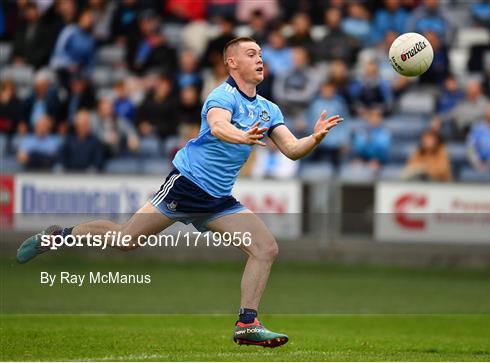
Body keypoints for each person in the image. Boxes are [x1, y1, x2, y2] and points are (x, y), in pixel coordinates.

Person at [16, 37, 343, 348]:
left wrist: (314, 138)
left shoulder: (269, 109)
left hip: (217, 199)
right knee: (125, 240)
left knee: (265, 248)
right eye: (251, 54)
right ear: (232, 63)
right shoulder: (222, 96)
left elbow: (291, 149)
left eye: (260, 53)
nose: (260, 58)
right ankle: (57, 236)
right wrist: (240, 137)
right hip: (186, 186)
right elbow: (218, 126)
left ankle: (247, 325)